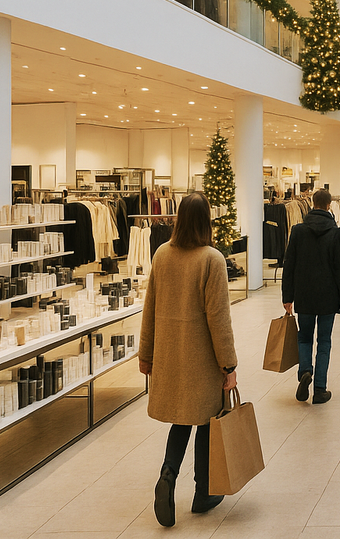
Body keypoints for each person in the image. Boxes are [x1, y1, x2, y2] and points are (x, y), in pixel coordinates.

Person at [139, 192, 237, 527]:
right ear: (206, 220)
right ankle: (204, 491)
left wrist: (146, 353)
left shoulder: (162, 255)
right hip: (203, 359)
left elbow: (149, 307)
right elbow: (218, 319)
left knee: (181, 420)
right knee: (208, 420)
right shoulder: (212, 259)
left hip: (170, 355)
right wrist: (229, 366)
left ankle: (167, 475)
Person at [283, 187, 340, 405]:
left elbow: (289, 266)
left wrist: (287, 297)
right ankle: (320, 389)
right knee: (324, 341)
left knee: (304, 337)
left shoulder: (298, 231)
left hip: (304, 295)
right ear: (330, 205)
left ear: (312, 204)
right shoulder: (336, 233)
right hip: (328, 297)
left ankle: (305, 371)